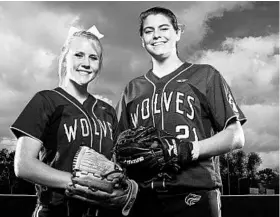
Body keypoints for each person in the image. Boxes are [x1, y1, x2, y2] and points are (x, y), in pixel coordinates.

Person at [116, 6, 247, 217]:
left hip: (195, 191)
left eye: (164, 28)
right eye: (148, 31)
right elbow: (119, 145)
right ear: (142, 40)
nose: (156, 35)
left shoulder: (205, 75)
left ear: (177, 33)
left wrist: (186, 150)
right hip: (143, 196)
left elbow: (236, 136)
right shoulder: (133, 89)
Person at [11, 26, 123, 217]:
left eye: (93, 57)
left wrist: (122, 185)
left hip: (101, 211)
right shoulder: (46, 100)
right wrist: (81, 183)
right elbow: (24, 165)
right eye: (79, 55)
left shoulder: (108, 111)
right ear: (65, 58)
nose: (86, 63)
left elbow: (117, 164)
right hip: (57, 209)